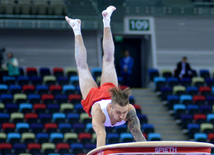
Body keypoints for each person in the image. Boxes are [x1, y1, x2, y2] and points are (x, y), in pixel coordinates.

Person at [65, 5, 146, 148]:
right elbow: (101, 137)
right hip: (94, 99)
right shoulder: (99, 112)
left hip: (109, 92)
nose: (122, 116)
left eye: (124, 112)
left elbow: (137, 134)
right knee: (82, 67)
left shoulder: (129, 111)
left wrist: (148, 151)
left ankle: (106, 20)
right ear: (110, 107)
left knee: (109, 59)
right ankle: (76, 28)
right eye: (119, 112)